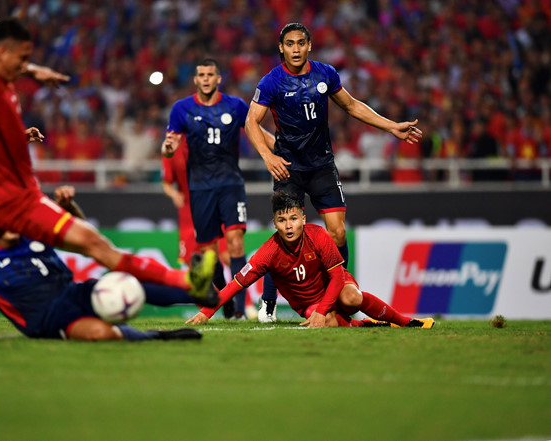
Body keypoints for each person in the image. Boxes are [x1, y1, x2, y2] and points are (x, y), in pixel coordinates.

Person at [0, 20, 216, 309]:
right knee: (93, 244)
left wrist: (32, 82)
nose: (25, 64)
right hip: (11, 197)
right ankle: (185, 282)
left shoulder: (5, 83)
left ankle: (188, 283)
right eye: (22, 57)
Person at [244, 23, 423, 320]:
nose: (296, 49)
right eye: (290, 44)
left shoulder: (325, 73)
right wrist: (267, 156)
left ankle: (340, 291)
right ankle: (268, 301)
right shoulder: (271, 82)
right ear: (281, 48)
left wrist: (392, 126)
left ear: (309, 45)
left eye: (301, 43)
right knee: (288, 234)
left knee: (338, 231)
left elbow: (352, 106)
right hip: (288, 167)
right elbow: (251, 122)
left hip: (322, 165)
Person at [0, 186, 206, 342]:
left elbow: (82, 233)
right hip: (47, 321)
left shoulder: (31, 235)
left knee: (128, 284)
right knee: (100, 334)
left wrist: (68, 207)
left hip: (74, 293)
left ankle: (199, 293)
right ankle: (156, 337)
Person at [186, 191, 434, 329]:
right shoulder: (268, 252)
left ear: (303, 218)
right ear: (274, 224)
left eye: (293, 218)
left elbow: (337, 276)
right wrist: (207, 313)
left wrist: (324, 308)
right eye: (282, 221)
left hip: (334, 289)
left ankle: (405, 322)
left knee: (352, 298)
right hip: (306, 303)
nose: (289, 226)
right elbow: (236, 284)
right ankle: (367, 326)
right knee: (323, 321)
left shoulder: (319, 236)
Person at [161, 58, 274, 319]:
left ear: (218, 78)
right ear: (196, 79)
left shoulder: (234, 105)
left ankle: (240, 310)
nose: (205, 79)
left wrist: (277, 145)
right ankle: (227, 299)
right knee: (208, 252)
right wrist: (167, 147)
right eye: (201, 75)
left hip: (231, 184)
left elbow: (254, 129)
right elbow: (170, 145)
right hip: (199, 188)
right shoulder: (182, 109)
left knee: (235, 243)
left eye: (210, 74)